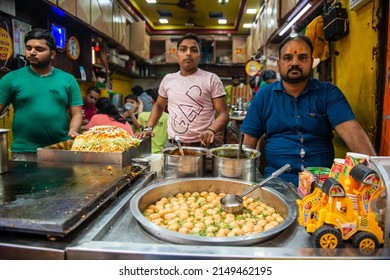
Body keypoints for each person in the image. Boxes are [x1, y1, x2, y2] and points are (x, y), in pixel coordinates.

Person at [240, 33, 376, 186]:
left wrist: (375, 173)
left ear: (311, 62)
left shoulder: (328, 93)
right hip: (276, 183)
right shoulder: (264, 96)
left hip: (322, 185)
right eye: (287, 58)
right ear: (278, 63)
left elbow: (351, 131)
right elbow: (248, 145)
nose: (295, 63)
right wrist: (243, 182)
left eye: (303, 58)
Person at [0, 28, 83, 161]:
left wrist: (73, 130)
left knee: (62, 183)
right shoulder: (11, 78)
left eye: (39, 49)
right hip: (23, 151)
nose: (32, 52)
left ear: (52, 54)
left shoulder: (68, 80)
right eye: (28, 48)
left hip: (59, 149)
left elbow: (77, 113)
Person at [136, 33, 229, 147]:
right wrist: (148, 127)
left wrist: (211, 130)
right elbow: (159, 106)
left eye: (194, 50)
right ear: (177, 54)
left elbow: (223, 114)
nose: (188, 53)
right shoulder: (168, 79)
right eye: (183, 49)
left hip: (202, 145)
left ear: (200, 55)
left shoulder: (211, 79)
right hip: (173, 144)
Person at [138, 87, 168, 153]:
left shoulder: (142, 116)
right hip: (162, 153)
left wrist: (140, 104)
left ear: (152, 101)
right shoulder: (169, 117)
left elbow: (139, 117)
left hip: (144, 152)